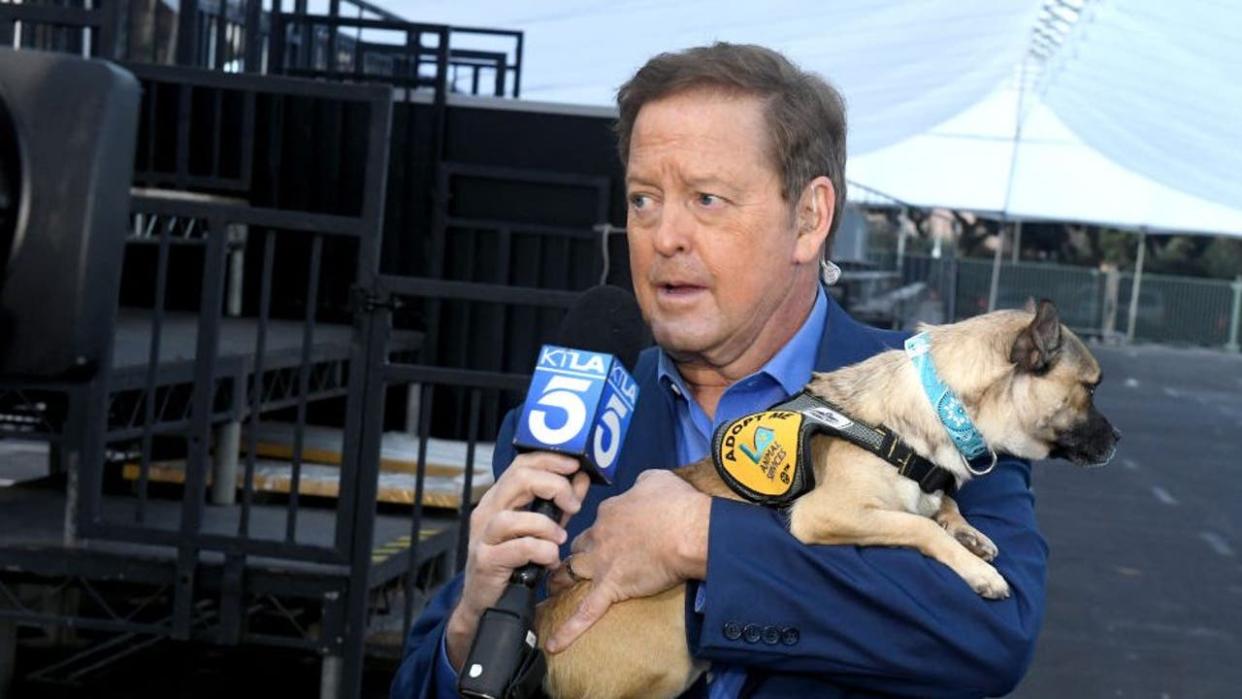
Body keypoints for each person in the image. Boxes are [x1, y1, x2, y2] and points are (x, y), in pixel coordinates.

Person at [392, 42, 1046, 698]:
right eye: (644, 200)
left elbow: (993, 628)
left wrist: (702, 539)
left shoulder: (938, 398)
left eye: (706, 198)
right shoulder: (562, 426)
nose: (664, 235)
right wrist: (471, 626)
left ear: (809, 219)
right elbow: (423, 681)